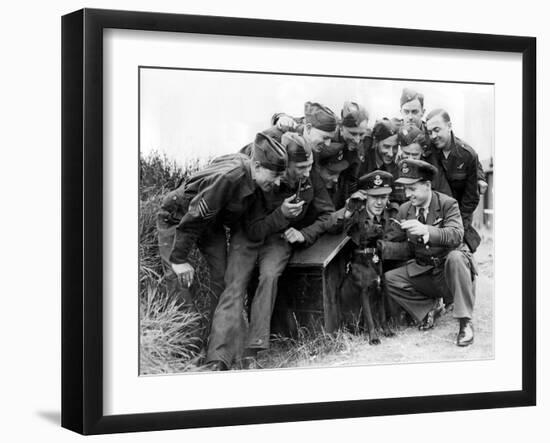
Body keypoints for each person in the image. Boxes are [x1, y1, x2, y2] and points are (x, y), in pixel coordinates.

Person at [206, 132, 335, 370]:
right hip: (247, 235)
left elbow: (328, 215)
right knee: (234, 284)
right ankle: (218, 357)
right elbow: (252, 229)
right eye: (302, 167)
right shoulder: (262, 174)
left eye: (310, 166)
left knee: (269, 276)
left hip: (278, 239)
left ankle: (253, 351)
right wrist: (282, 215)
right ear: (285, 163)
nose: (307, 173)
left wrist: (304, 233)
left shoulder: (308, 177)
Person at [156, 133, 287, 332]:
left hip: (209, 221)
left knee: (221, 277)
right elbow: (194, 216)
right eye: (274, 175)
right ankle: (186, 342)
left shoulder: (253, 173)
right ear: (258, 166)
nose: (277, 183)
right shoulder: (230, 177)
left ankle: (213, 335)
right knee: (178, 279)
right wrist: (180, 259)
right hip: (178, 216)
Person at [379, 159, 477, 347]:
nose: (408, 195)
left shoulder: (448, 204)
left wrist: (426, 230)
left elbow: (456, 235)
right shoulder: (405, 210)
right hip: (426, 272)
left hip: (451, 274)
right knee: (390, 279)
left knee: (456, 257)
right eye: (405, 190)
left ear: (427, 185)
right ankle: (429, 309)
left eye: (412, 189)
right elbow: (400, 245)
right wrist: (380, 247)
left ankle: (465, 322)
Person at [336, 170, 396, 343]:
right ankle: (368, 329)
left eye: (383, 197)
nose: (379, 202)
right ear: (365, 197)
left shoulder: (392, 214)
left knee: (381, 288)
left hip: (380, 263)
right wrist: (348, 211)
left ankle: (386, 323)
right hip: (361, 263)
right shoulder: (355, 217)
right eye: (374, 197)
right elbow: (334, 227)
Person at [399, 87, 488, 195]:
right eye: (406, 112)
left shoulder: (431, 131)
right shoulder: (395, 132)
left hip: (434, 185)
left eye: (414, 112)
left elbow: (462, 150)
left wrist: (479, 177)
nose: (410, 117)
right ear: (400, 111)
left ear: (422, 112)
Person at [425, 109, 482, 252]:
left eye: (437, 130)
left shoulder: (468, 155)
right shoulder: (428, 153)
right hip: (434, 216)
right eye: (430, 132)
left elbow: (471, 198)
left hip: (459, 215)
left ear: (449, 126)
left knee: (461, 256)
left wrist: (457, 225)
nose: (433, 136)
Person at [397, 124, 452, 196]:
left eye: (415, 155)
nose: (410, 159)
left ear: (422, 151)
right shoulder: (393, 165)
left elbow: (446, 196)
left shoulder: (430, 169)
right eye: (406, 153)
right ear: (400, 148)